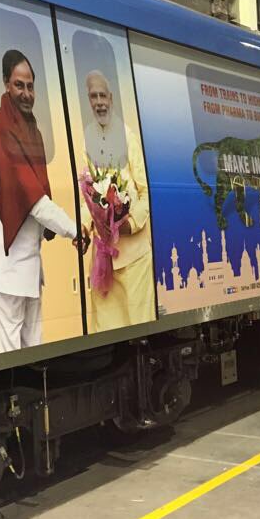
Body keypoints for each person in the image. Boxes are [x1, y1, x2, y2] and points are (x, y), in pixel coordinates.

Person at [0, 49, 79, 354]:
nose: (26, 93)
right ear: (5, 85)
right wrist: (75, 230)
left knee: (33, 350)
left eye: (29, 86)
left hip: (29, 265)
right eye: (18, 85)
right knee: (11, 354)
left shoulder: (31, 129)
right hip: (10, 267)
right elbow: (35, 200)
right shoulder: (2, 127)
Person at [80, 70, 155, 332]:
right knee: (104, 332)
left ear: (111, 99)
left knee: (140, 333)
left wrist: (130, 223)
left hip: (134, 258)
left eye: (103, 95)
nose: (99, 102)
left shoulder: (128, 136)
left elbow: (146, 192)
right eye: (93, 96)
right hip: (104, 261)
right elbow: (86, 193)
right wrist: (84, 226)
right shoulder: (86, 137)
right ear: (89, 101)